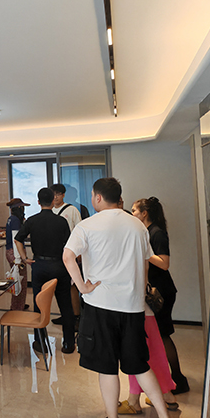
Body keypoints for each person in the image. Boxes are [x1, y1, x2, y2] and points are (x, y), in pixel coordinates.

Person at [63, 178, 169, 418]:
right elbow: (145, 264)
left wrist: (82, 287)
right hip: (132, 306)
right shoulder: (138, 226)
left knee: (107, 368)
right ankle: (164, 415)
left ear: (98, 197)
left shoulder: (87, 225)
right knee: (140, 365)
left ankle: (112, 416)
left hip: (100, 305)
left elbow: (67, 256)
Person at [132, 196, 189, 394]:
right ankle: (169, 379)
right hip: (155, 290)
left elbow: (164, 263)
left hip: (162, 291)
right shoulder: (146, 232)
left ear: (144, 213)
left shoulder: (157, 233)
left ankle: (179, 379)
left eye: (134, 211)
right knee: (160, 335)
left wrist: (146, 254)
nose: (132, 214)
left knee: (163, 335)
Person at [14, 188, 75, 354]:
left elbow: (18, 239)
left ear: (38, 202)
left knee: (39, 305)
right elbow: (69, 245)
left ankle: (40, 343)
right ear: (53, 201)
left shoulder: (32, 221)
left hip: (39, 265)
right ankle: (69, 344)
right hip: (59, 266)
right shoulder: (61, 221)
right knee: (66, 305)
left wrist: (25, 258)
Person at [50, 183, 82, 328]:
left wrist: (79, 253)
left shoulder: (72, 210)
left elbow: (80, 231)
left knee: (71, 285)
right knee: (60, 286)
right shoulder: (49, 210)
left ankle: (76, 316)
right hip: (55, 254)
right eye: (53, 194)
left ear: (63, 195)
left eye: (58, 194)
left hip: (70, 252)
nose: (55, 197)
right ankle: (65, 315)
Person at [5, 198, 30, 311]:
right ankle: (17, 308)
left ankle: (18, 305)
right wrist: (19, 258)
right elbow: (16, 239)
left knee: (17, 280)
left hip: (10, 251)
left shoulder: (11, 219)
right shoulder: (15, 220)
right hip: (15, 253)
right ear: (19, 208)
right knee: (20, 281)